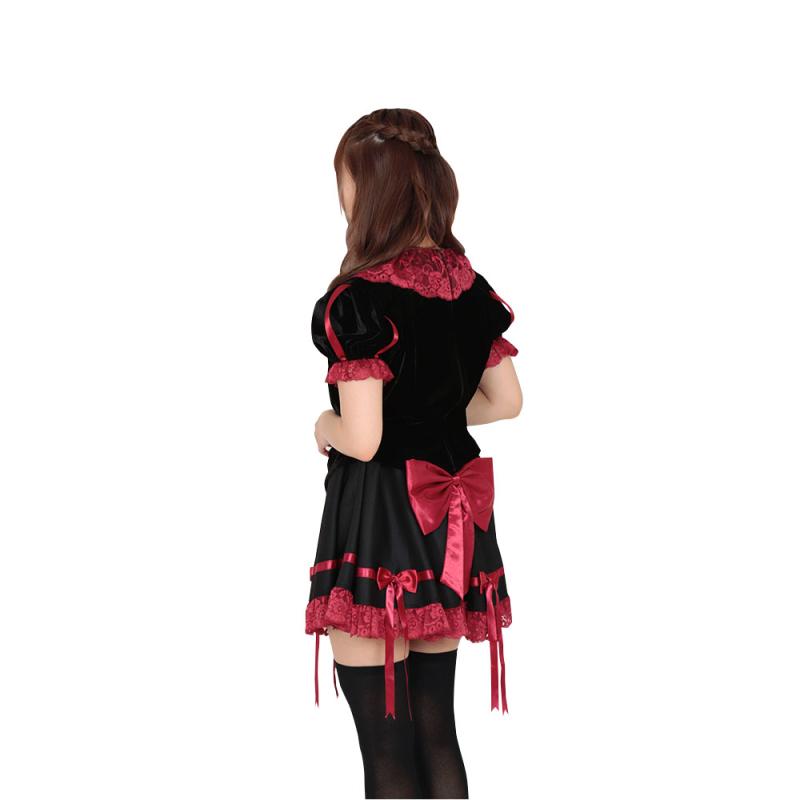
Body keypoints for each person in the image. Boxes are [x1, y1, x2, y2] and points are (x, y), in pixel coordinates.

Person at [305, 108, 523, 799]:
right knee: (434, 727)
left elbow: (363, 438)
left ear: (371, 191)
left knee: (386, 744)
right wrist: (430, 413)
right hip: (451, 517)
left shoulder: (358, 300)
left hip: (382, 519)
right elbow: (505, 401)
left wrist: (325, 423)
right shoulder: (470, 287)